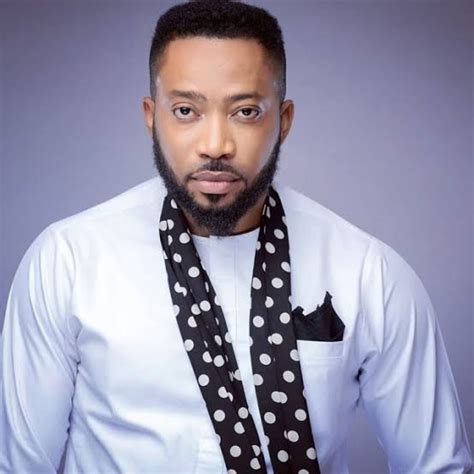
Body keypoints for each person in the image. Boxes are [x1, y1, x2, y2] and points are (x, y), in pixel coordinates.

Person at [0, 0, 472, 472]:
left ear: (284, 121)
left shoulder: (368, 273)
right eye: (186, 110)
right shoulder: (68, 261)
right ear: (151, 117)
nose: (215, 145)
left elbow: (438, 466)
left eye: (245, 111)